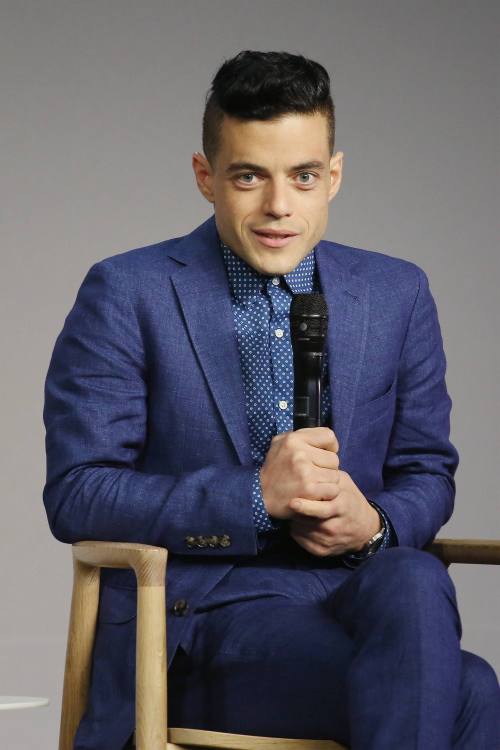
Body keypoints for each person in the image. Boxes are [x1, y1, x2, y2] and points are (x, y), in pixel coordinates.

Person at [43, 50, 500, 750]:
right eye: (249, 175)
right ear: (207, 177)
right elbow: (77, 492)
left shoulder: (396, 293)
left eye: (303, 176)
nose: (279, 206)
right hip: (201, 621)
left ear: (334, 177)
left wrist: (372, 524)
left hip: (360, 601)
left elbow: (427, 471)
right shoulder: (128, 292)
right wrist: (255, 497)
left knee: (409, 572)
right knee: (466, 690)